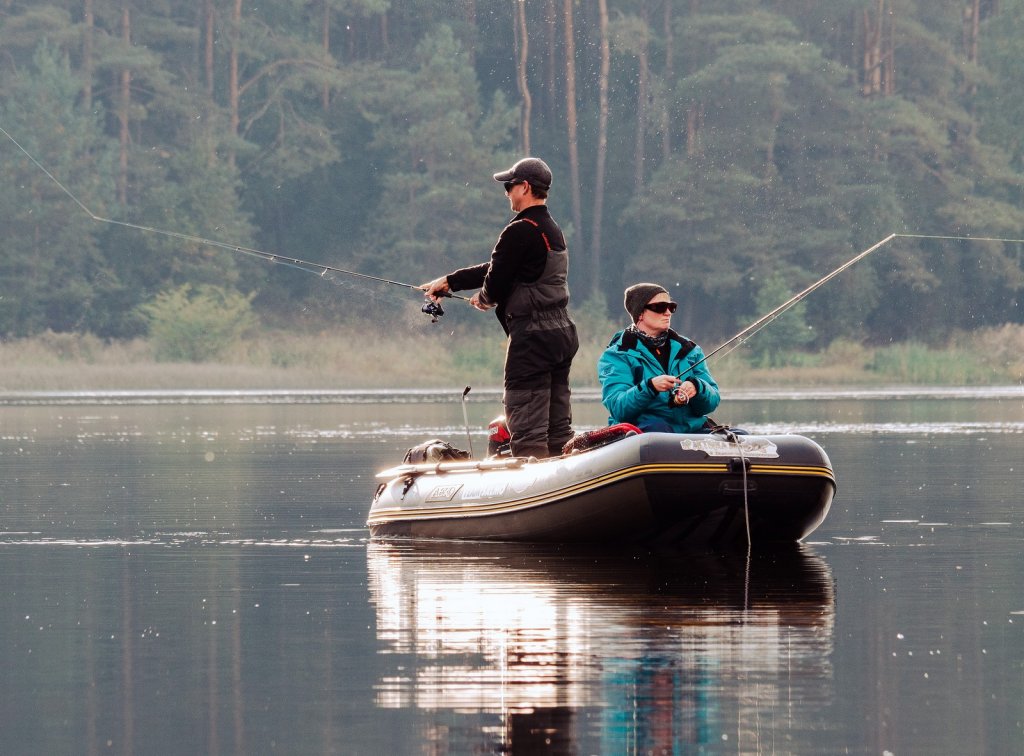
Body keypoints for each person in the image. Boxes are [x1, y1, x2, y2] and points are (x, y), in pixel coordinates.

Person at [421, 157, 579, 459]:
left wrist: (484, 298)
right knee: (558, 427)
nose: (506, 191)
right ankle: (565, 476)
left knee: (528, 426)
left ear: (525, 187)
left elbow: (495, 281)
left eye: (510, 185)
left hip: (532, 339)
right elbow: (500, 266)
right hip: (561, 335)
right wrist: (450, 282)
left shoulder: (518, 230)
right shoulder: (550, 228)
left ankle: (534, 491)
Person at [598, 283, 720, 433]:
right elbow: (619, 408)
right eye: (660, 307)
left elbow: (712, 402)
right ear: (640, 313)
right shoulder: (616, 355)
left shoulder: (690, 350)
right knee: (659, 429)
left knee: (741, 436)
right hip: (644, 433)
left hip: (690, 430)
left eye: (671, 307)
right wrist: (650, 387)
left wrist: (698, 387)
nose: (668, 312)